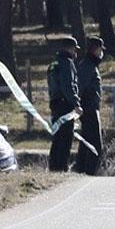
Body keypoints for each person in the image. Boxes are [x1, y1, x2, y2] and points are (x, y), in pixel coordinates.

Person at [48, 36, 82, 172]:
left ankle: (54, 167)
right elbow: (68, 86)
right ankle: (62, 168)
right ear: (70, 48)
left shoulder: (53, 63)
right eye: (75, 49)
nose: (76, 52)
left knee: (57, 138)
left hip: (55, 104)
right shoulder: (67, 63)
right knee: (65, 138)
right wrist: (76, 103)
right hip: (65, 105)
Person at [74, 36, 105, 176]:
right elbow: (80, 87)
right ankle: (89, 174)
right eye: (100, 50)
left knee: (86, 143)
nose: (101, 53)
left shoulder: (90, 65)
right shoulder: (87, 66)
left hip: (90, 109)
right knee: (95, 146)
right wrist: (76, 105)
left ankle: (79, 171)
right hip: (89, 110)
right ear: (96, 49)